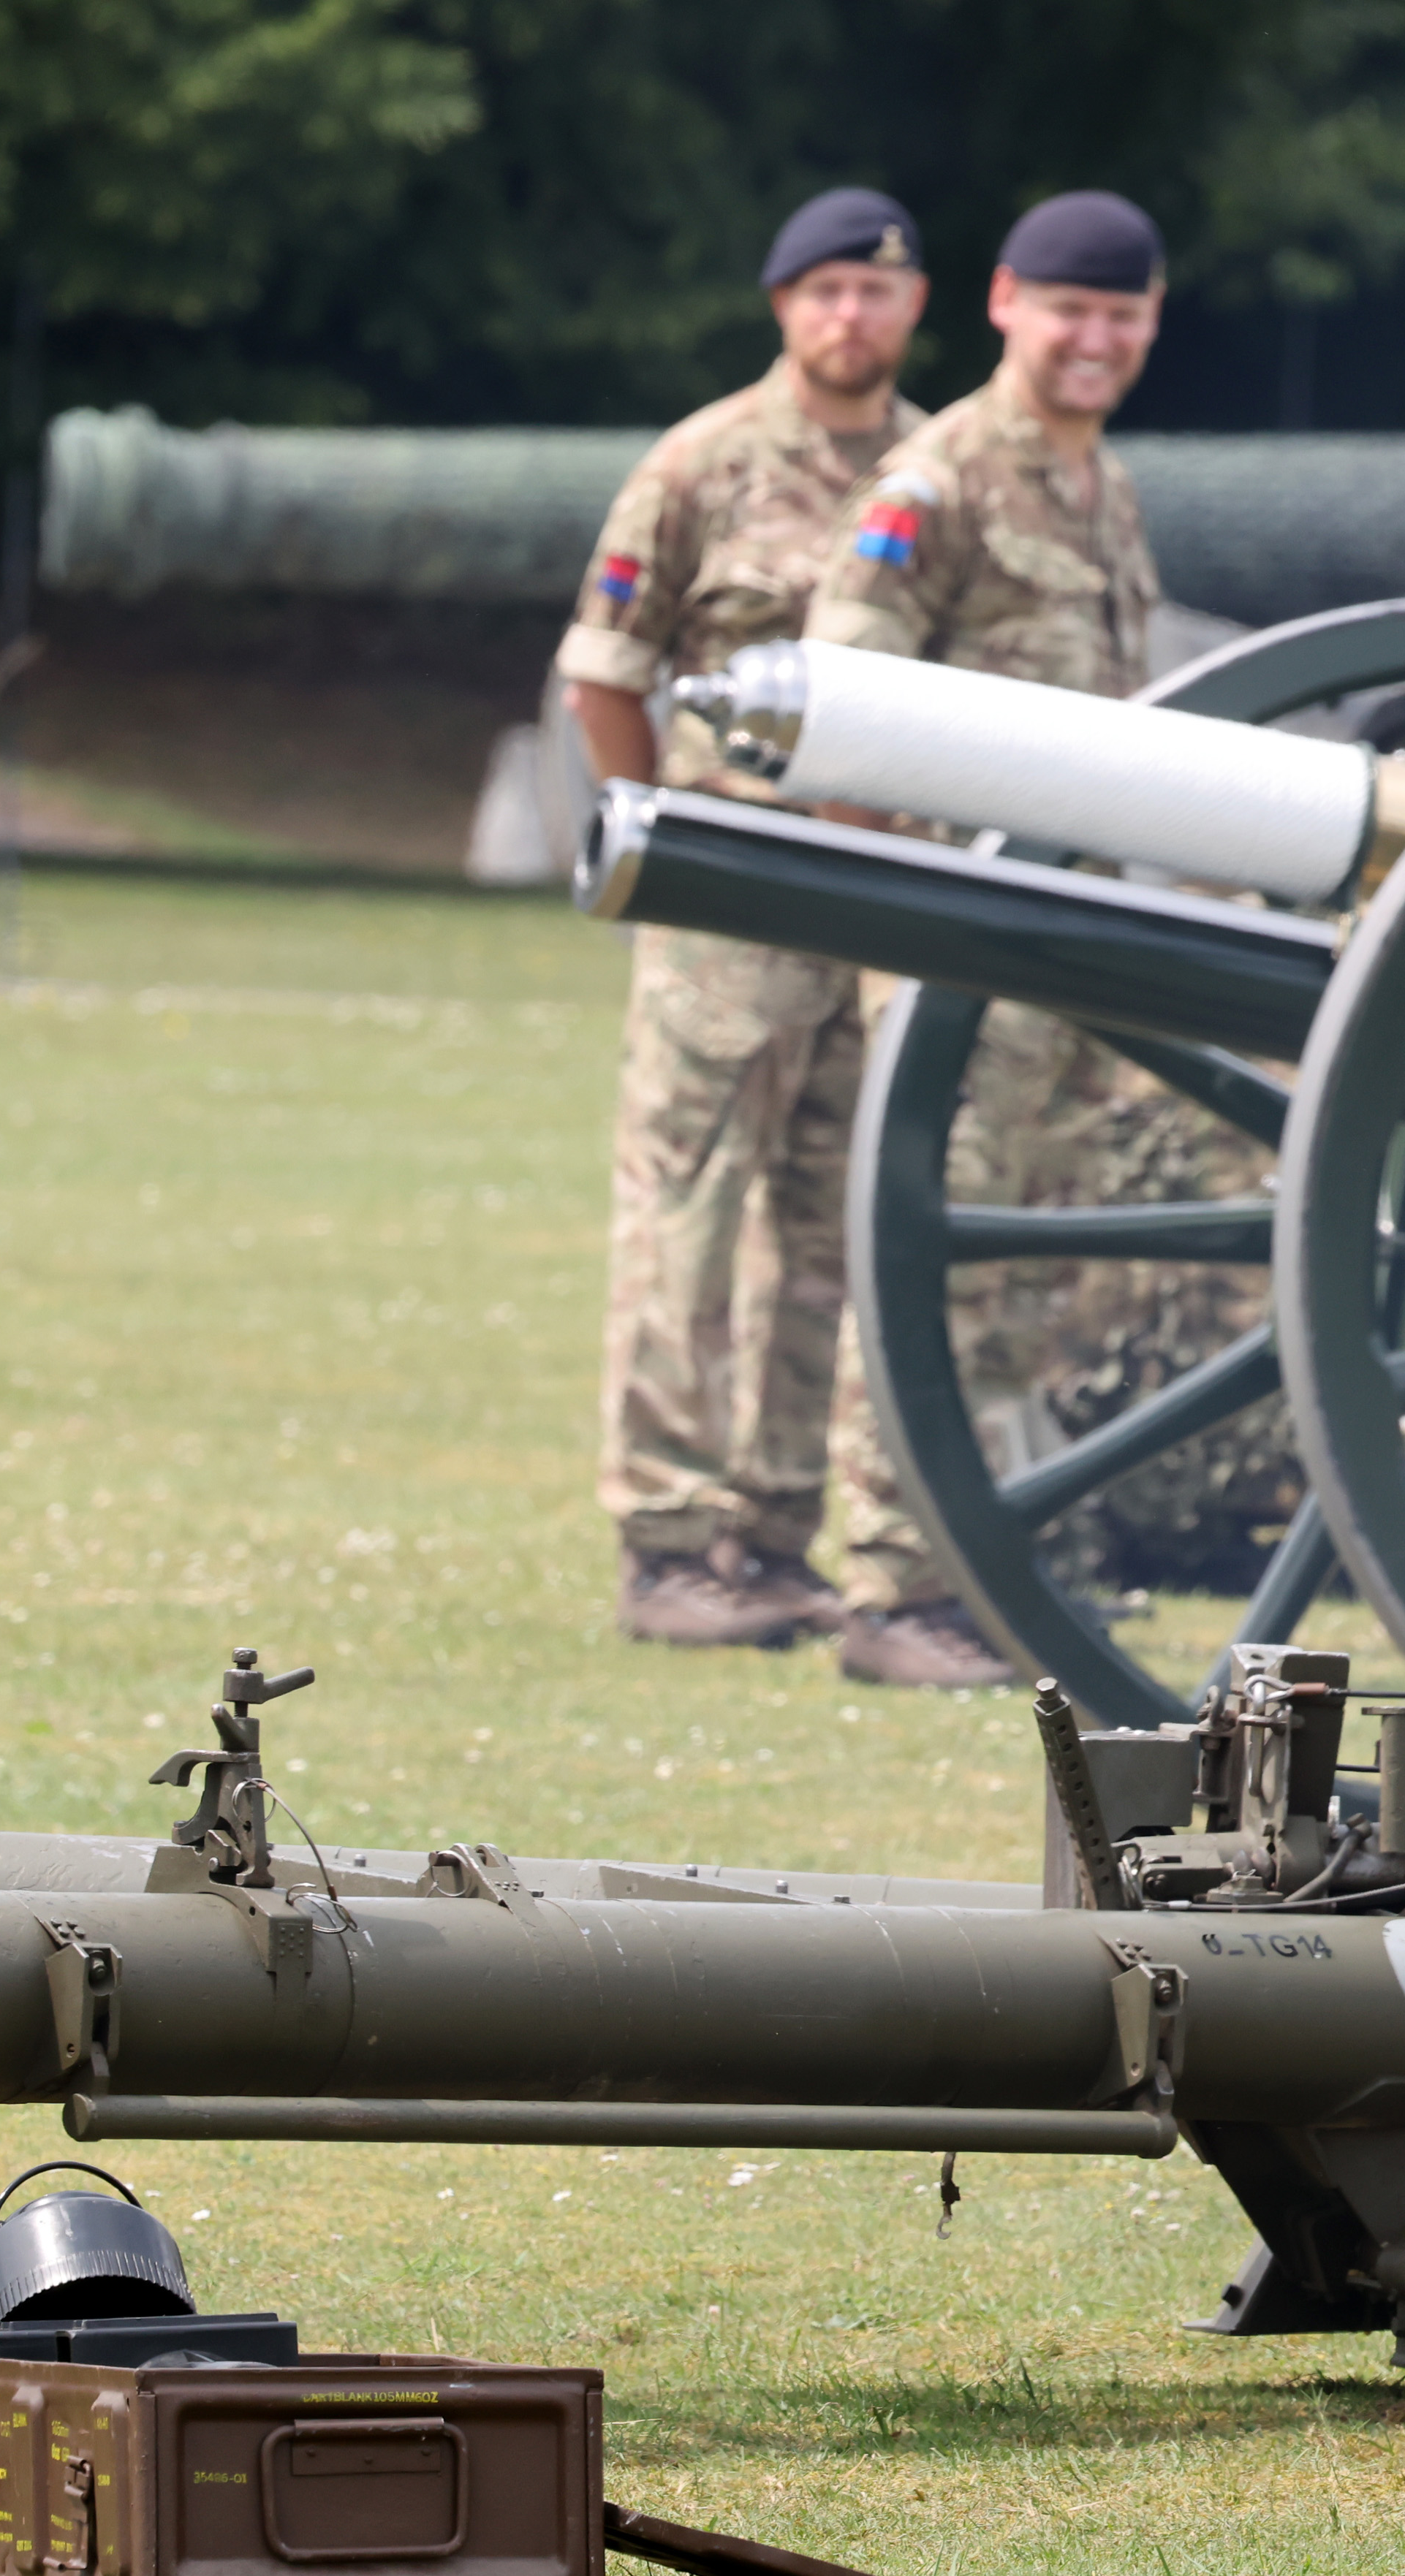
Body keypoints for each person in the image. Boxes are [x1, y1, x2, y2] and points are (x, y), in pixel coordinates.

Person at [796, 189, 1173, 1690]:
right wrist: (919, 908)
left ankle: (1002, 1556)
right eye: (1071, 310)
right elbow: (844, 698)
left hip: (1063, 944)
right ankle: (896, 1587)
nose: (1096, 340)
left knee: (1023, 1263)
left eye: (1124, 316)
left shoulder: (1105, 492)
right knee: (930, 1255)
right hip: (965, 943)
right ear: (1008, 302)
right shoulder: (938, 477)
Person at [565, 188, 929, 1664]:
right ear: (784, 303)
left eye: (878, 291)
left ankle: (776, 1536)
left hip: (889, 899)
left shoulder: (936, 467)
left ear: (920, 308)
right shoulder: (702, 462)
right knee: (690, 1213)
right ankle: (667, 1541)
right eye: (827, 288)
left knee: (834, 1225)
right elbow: (605, 670)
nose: (852, 315)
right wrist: (672, 845)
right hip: (734, 885)